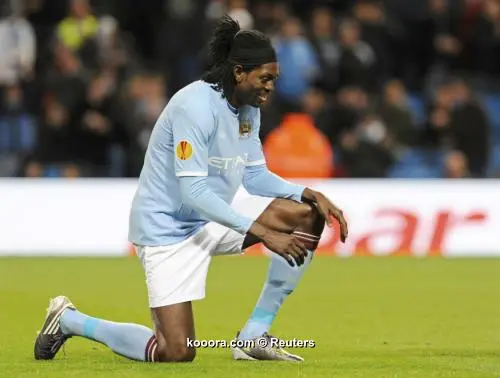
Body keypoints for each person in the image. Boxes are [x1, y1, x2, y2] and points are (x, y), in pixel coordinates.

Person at [34, 15, 348, 363]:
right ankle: (69, 320)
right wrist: (263, 233)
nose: (270, 87)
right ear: (239, 72)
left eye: (274, 79)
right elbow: (193, 193)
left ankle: (254, 336)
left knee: (307, 214)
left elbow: (254, 177)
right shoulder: (195, 107)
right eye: (265, 78)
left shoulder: (248, 109)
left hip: (210, 220)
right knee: (176, 351)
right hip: (166, 229)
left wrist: (307, 193)